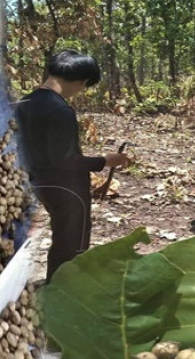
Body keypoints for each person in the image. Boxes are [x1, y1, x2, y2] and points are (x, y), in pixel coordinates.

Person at [15, 50, 131, 283]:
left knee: (62, 239)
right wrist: (106, 161)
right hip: (65, 188)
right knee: (72, 245)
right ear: (81, 82)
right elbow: (66, 163)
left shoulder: (22, 103)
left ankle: (56, 286)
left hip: (36, 182)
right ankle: (61, 292)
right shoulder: (60, 110)